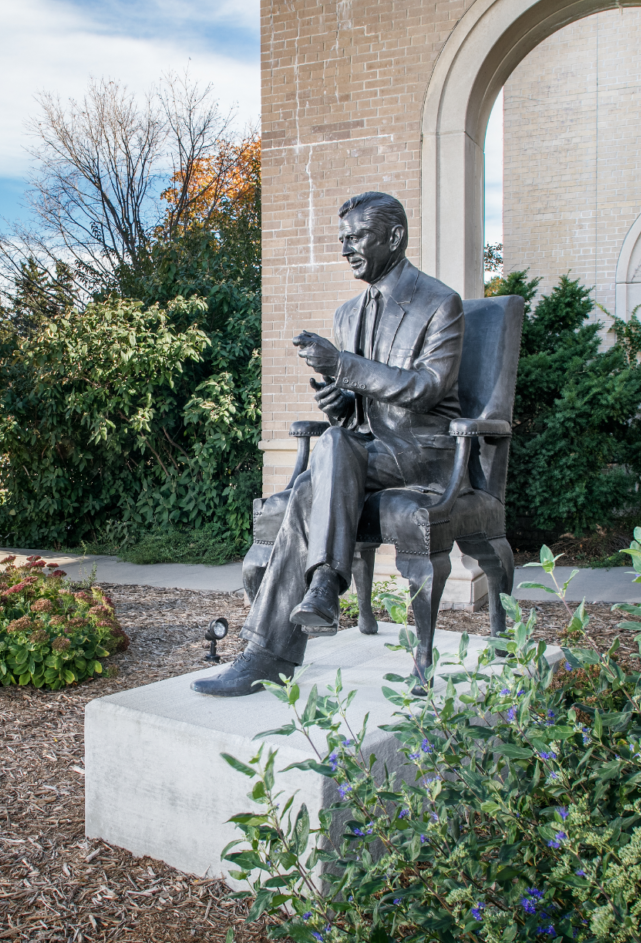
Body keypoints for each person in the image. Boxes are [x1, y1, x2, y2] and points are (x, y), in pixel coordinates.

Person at [192, 191, 464, 697]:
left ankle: (270, 648)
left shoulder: (439, 303)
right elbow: (352, 412)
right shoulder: (345, 314)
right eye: (342, 239)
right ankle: (316, 593)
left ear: (394, 237)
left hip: (420, 453)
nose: (346, 248)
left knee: (313, 479)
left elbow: (428, 388)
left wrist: (341, 366)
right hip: (359, 450)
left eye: (356, 236)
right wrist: (333, 395)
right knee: (336, 442)